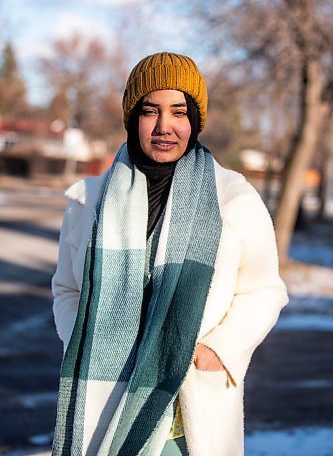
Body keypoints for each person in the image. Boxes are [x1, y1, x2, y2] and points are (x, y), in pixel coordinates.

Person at [51, 52, 288, 456]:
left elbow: (265, 290)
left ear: (195, 120)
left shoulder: (233, 199)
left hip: (187, 421)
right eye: (150, 111)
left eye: (179, 111)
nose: (165, 126)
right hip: (101, 408)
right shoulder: (87, 202)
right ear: (132, 119)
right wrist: (89, 339)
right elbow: (66, 289)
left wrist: (221, 348)